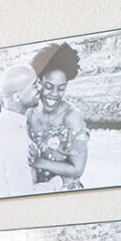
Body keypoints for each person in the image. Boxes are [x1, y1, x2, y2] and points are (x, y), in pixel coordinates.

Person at [0, 64, 63, 197]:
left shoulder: (2, 124)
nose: (40, 88)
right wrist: (59, 182)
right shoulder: (12, 136)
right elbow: (24, 194)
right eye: (34, 85)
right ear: (17, 97)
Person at [27, 42, 89, 190]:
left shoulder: (72, 116)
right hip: (33, 191)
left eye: (61, 88)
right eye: (48, 86)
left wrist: (38, 162)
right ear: (39, 81)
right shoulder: (28, 112)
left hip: (66, 191)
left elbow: (78, 170)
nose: (54, 94)